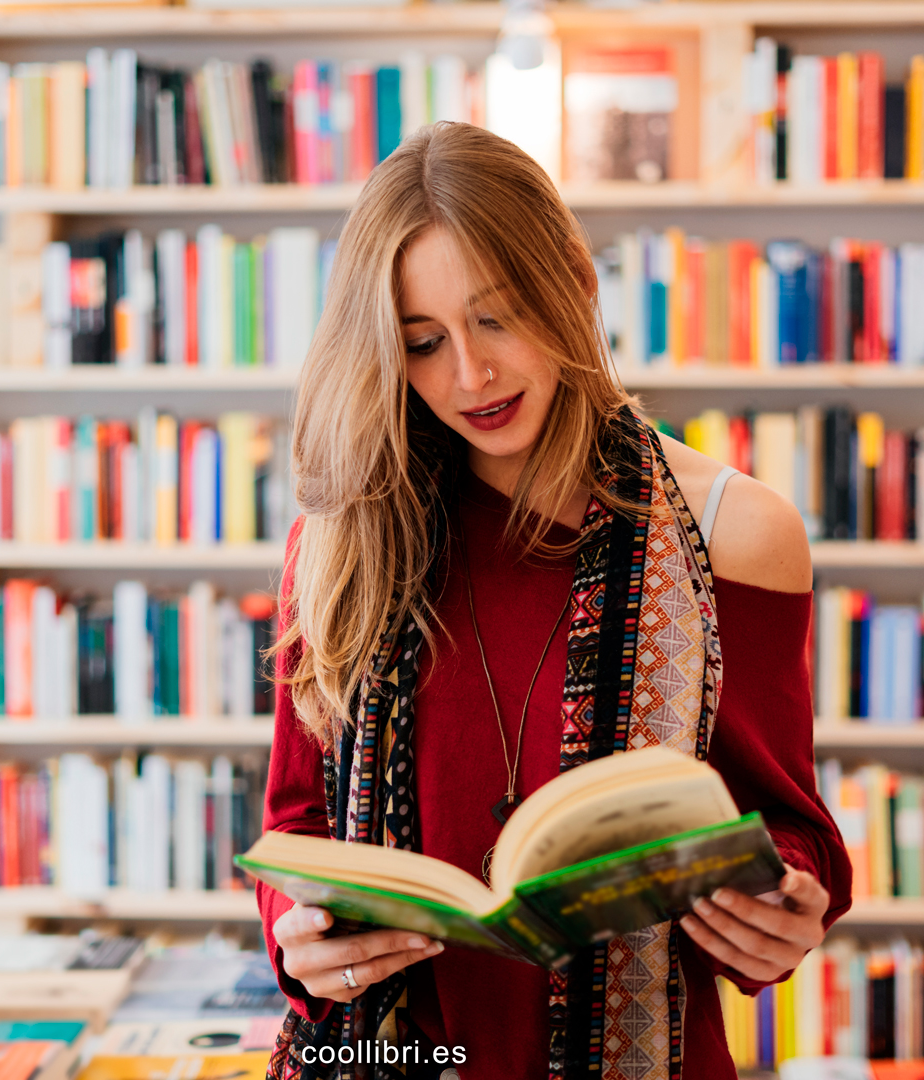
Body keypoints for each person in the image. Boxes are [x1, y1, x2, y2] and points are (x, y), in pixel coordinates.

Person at [256, 122, 851, 1080]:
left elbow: (792, 826)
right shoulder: (338, 543)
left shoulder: (737, 533)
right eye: (422, 341)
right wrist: (300, 937)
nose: (470, 375)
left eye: (497, 316)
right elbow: (296, 830)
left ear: (575, 280)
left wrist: (789, 903)